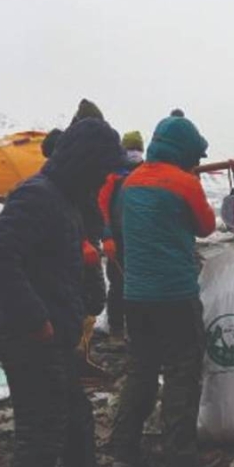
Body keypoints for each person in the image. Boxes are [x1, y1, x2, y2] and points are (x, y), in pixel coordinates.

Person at [0, 118, 125, 467]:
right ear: (85, 163)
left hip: (55, 332)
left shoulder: (67, 198)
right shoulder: (38, 196)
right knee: (41, 435)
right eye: (101, 170)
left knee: (74, 419)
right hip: (30, 336)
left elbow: (62, 258)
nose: (104, 179)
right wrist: (36, 320)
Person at [110, 113, 221, 467]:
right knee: (181, 372)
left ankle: (124, 450)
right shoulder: (184, 183)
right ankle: (179, 457)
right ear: (185, 150)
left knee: (140, 369)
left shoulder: (131, 181)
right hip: (175, 294)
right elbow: (206, 227)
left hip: (136, 294)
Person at [43, 99, 110, 382]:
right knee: (85, 297)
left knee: (88, 299)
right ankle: (71, 358)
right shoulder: (73, 163)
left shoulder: (78, 158)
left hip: (84, 236)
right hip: (78, 240)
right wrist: (84, 238)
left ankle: (79, 354)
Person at [98, 130, 144, 344]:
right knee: (118, 285)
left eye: (137, 149)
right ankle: (116, 330)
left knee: (139, 285)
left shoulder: (147, 172)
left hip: (140, 239)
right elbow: (102, 206)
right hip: (119, 239)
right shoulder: (113, 175)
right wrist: (107, 236)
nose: (134, 153)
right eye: (130, 149)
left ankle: (137, 331)